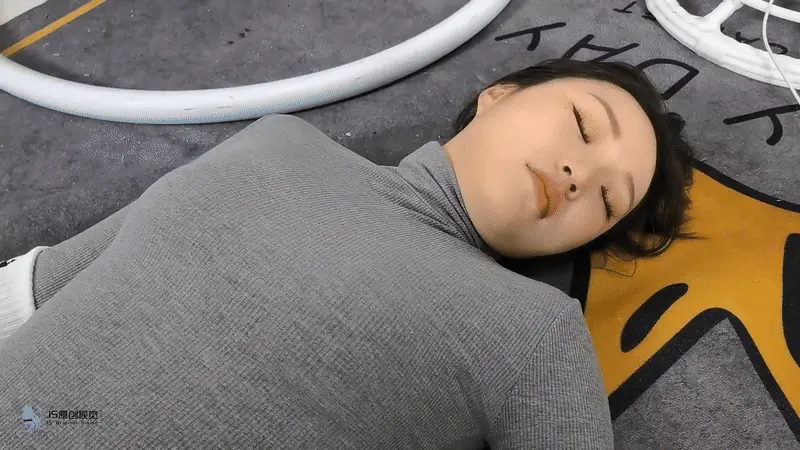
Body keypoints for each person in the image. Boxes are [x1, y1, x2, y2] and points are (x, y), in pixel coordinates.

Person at [0, 58, 696, 448]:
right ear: (498, 96)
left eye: (607, 200)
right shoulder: (274, 140)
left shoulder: (534, 334)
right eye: (583, 125)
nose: (579, 176)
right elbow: (32, 288)